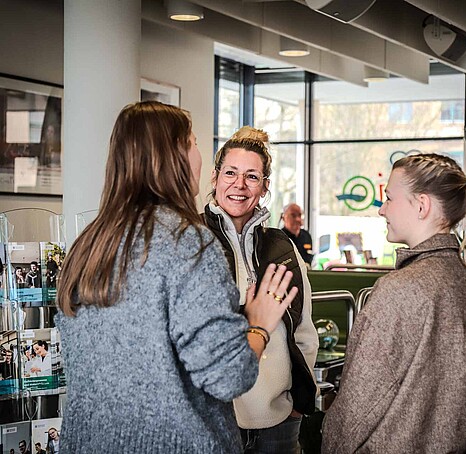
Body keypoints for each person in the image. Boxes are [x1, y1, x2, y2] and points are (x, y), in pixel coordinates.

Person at [55, 101, 297, 453]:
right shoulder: (188, 243)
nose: (199, 156)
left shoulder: (89, 244)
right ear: (174, 157)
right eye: (194, 143)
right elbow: (228, 377)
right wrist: (258, 324)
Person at [322, 153, 466, 453]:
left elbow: (356, 409)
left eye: (389, 198)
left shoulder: (399, 290)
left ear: (421, 206)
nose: (382, 209)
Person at [204, 125, 318, 453]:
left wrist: (297, 406)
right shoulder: (193, 239)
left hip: (280, 423)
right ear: (215, 178)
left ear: (265, 186)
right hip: (214, 420)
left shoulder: (282, 246)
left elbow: (304, 331)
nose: (239, 185)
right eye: (230, 173)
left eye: (252, 176)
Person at [281, 203, 314, 267]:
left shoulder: (306, 236)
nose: (298, 219)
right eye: (293, 216)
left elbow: (309, 255)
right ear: (283, 218)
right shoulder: (280, 237)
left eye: (299, 215)